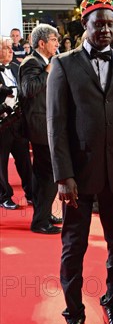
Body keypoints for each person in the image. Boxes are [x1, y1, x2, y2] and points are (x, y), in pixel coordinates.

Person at [46, 0, 113, 324]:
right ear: (84, 25)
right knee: (73, 247)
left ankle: (112, 304)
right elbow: (55, 125)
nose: (104, 29)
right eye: (97, 23)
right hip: (77, 176)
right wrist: (63, 176)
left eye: (109, 23)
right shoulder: (63, 63)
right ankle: (74, 315)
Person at [18, 24, 61, 234]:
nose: (57, 43)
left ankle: (43, 214)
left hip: (45, 124)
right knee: (48, 174)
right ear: (42, 43)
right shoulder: (31, 62)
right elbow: (28, 90)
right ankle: (40, 221)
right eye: (53, 39)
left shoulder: (42, 62)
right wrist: (48, 71)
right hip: (39, 127)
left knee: (41, 174)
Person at [0, 37, 33, 209]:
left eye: (10, 47)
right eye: (6, 48)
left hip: (19, 122)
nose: (10, 50)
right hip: (2, 124)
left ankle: (32, 194)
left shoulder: (16, 67)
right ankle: (4, 196)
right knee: (1, 162)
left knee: (25, 160)